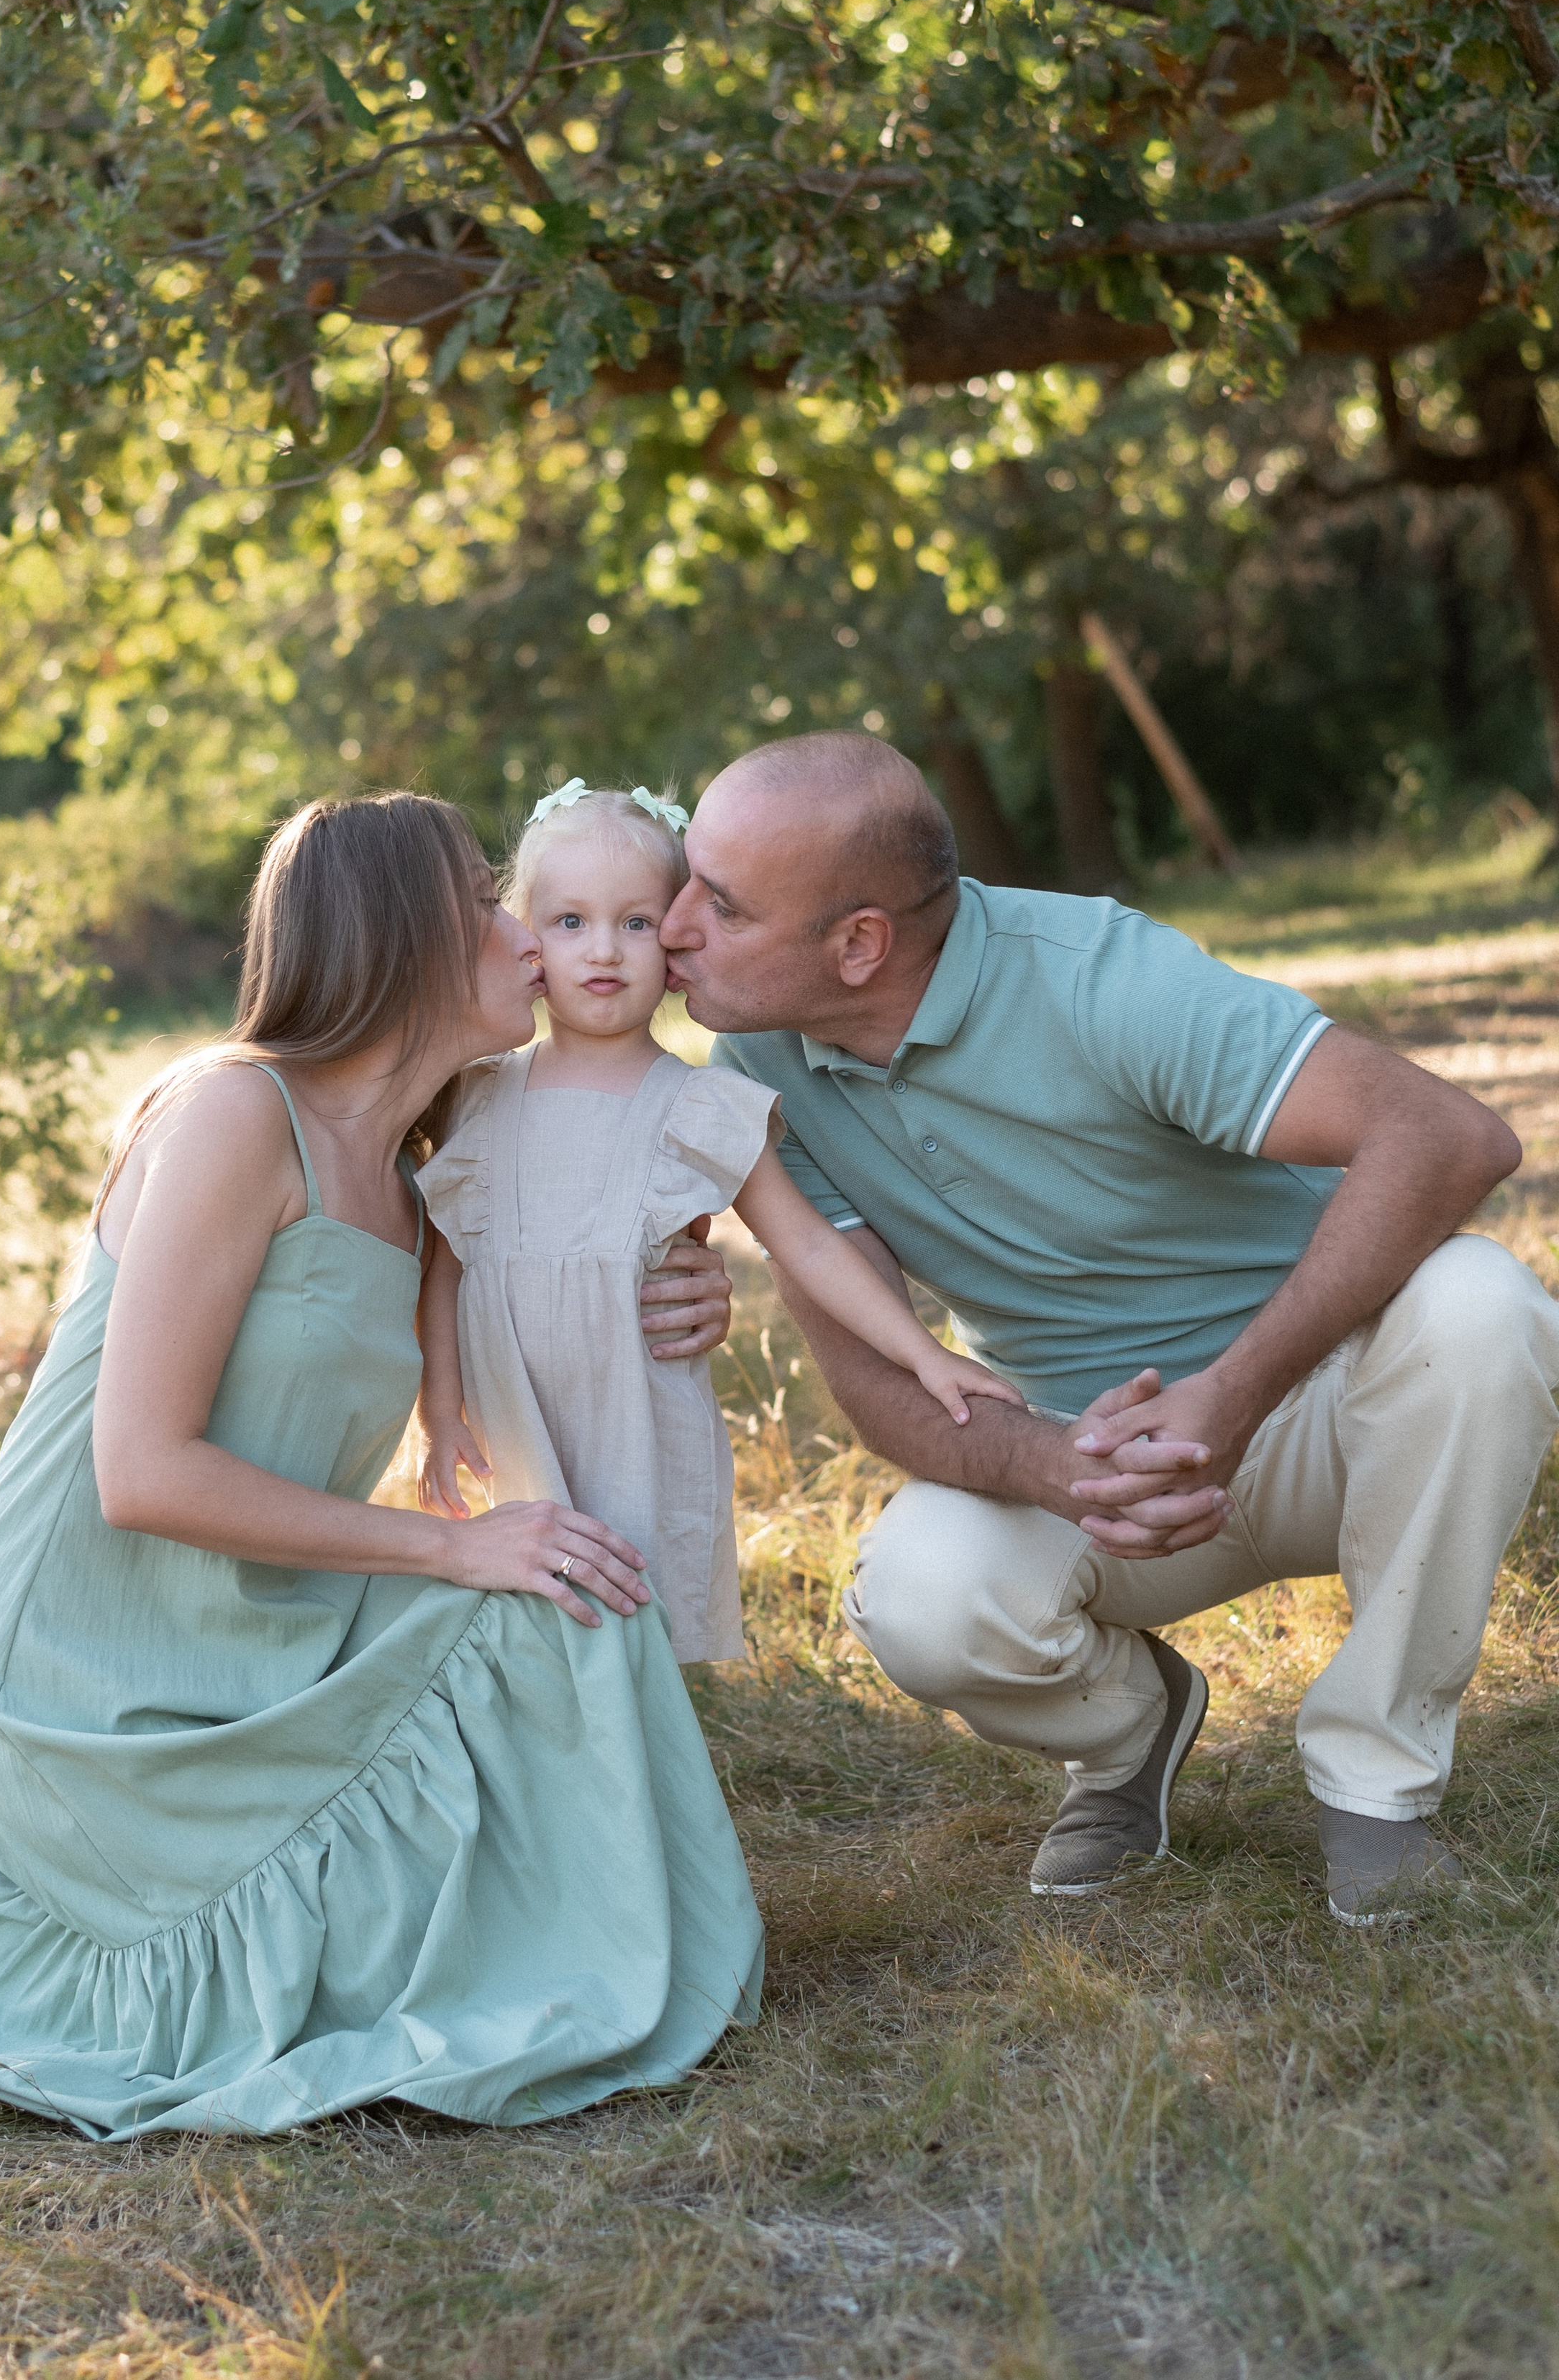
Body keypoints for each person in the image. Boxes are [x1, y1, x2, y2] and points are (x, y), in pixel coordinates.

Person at [0, 794, 764, 2136]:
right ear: (403, 937)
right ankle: (499, 1952)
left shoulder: (414, 1166)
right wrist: (451, 1543)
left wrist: (689, 1290)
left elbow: (587, 1238)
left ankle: (597, 1952)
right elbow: (142, 1474)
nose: (527, 938)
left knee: (580, 1597)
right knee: (523, 1578)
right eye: (491, 907)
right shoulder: (233, 1116)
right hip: (87, 1677)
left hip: (265, 1627)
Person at [662, 730, 1559, 1925]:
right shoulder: (759, 1065)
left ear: (859, 944)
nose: (670, 926)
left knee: (1482, 1307)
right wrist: (1053, 1460)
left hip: (1330, 1405)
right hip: (1102, 1467)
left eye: (717, 904)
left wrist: (1233, 1393)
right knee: (921, 1592)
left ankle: (1378, 1787)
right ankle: (1133, 1733)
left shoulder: (1096, 978)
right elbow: (879, 1387)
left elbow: (1450, 1139)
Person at [415, 779, 1020, 1661]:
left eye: (635, 923)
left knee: (632, 1612)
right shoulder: (476, 1094)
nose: (604, 952)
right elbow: (445, 1265)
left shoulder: (697, 1106)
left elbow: (806, 1240)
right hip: (513, 1409)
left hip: (637, 1418)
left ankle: (654, 1764)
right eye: (570, 921)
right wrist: (440, 1411)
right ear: (525, 935)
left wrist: (924, 1353)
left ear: (675, 943)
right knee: (525, 1622)